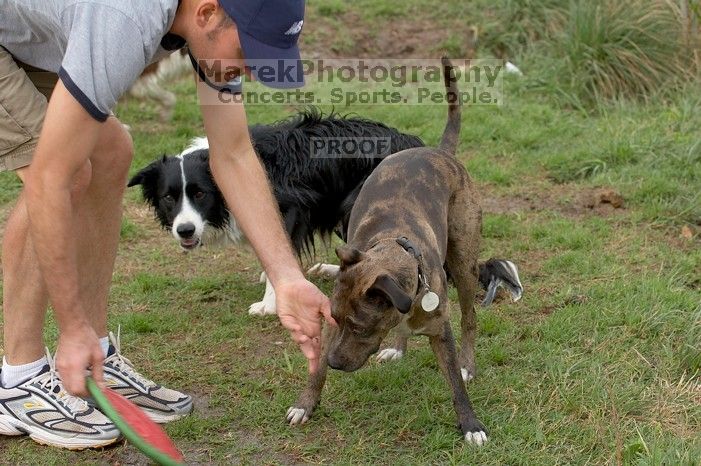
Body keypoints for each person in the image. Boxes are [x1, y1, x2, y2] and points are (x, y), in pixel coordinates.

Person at [0, 0, 334, 449]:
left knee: (110, 150)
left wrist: (287, 276)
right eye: (248, 53)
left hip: (24, 29)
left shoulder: (206, 26)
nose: (252, 72)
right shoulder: (127, 18)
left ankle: (96, 354)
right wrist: (70, 325)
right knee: (66, 170)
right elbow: (48, 181)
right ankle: (18, 378)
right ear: (207, 14)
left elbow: (232, 153)